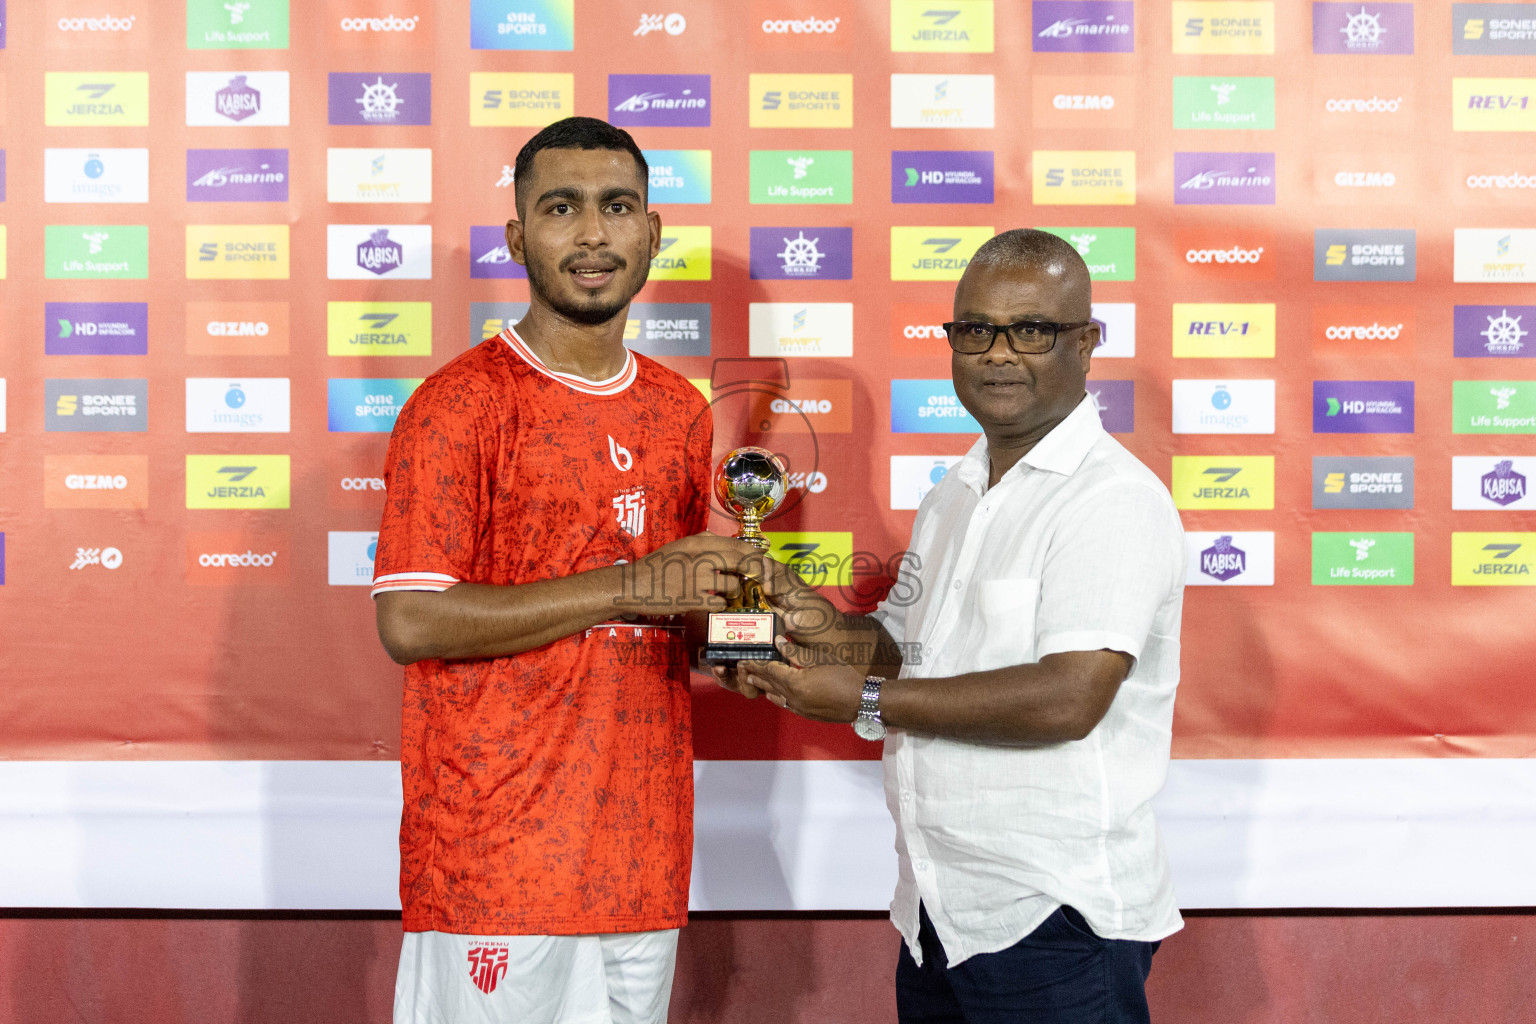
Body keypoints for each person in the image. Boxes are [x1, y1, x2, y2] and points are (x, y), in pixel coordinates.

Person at [723, 229, 1186, 1023]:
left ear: (1086, 343)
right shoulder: (954, 495)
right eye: (975, 330)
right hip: (938, 912)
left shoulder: (1111, 499)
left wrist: (863, 702)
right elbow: (903, 655)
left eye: (1031, 330)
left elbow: (1068, 698)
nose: (998, 354)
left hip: (1051, 919)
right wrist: (795, 610)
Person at [373, 116, 756, 1024]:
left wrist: (748, 625)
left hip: (641, 857)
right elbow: (412, 622)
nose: (593, 234)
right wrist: (635, 582)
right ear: (518, 239)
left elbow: (676, 618)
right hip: (496, 863)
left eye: (618, 207)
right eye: (561, 208)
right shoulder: (457, 406)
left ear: (652, 234)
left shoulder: (678, 412)